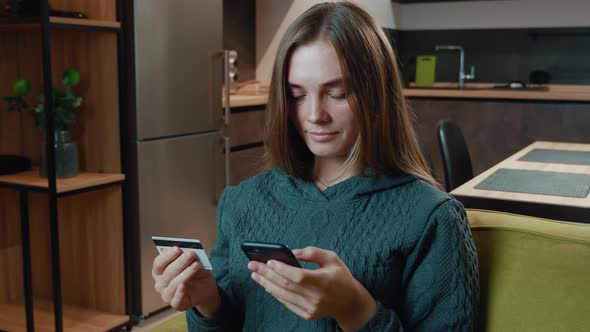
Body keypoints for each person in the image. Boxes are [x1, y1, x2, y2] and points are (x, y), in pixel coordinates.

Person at [152, 1, 479, 331]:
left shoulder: (431, 218)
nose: (314, 115)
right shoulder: (241, 202)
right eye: (296, 95)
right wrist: (208, 302)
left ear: (376, 96)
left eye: (336, 93)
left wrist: (355, 308)